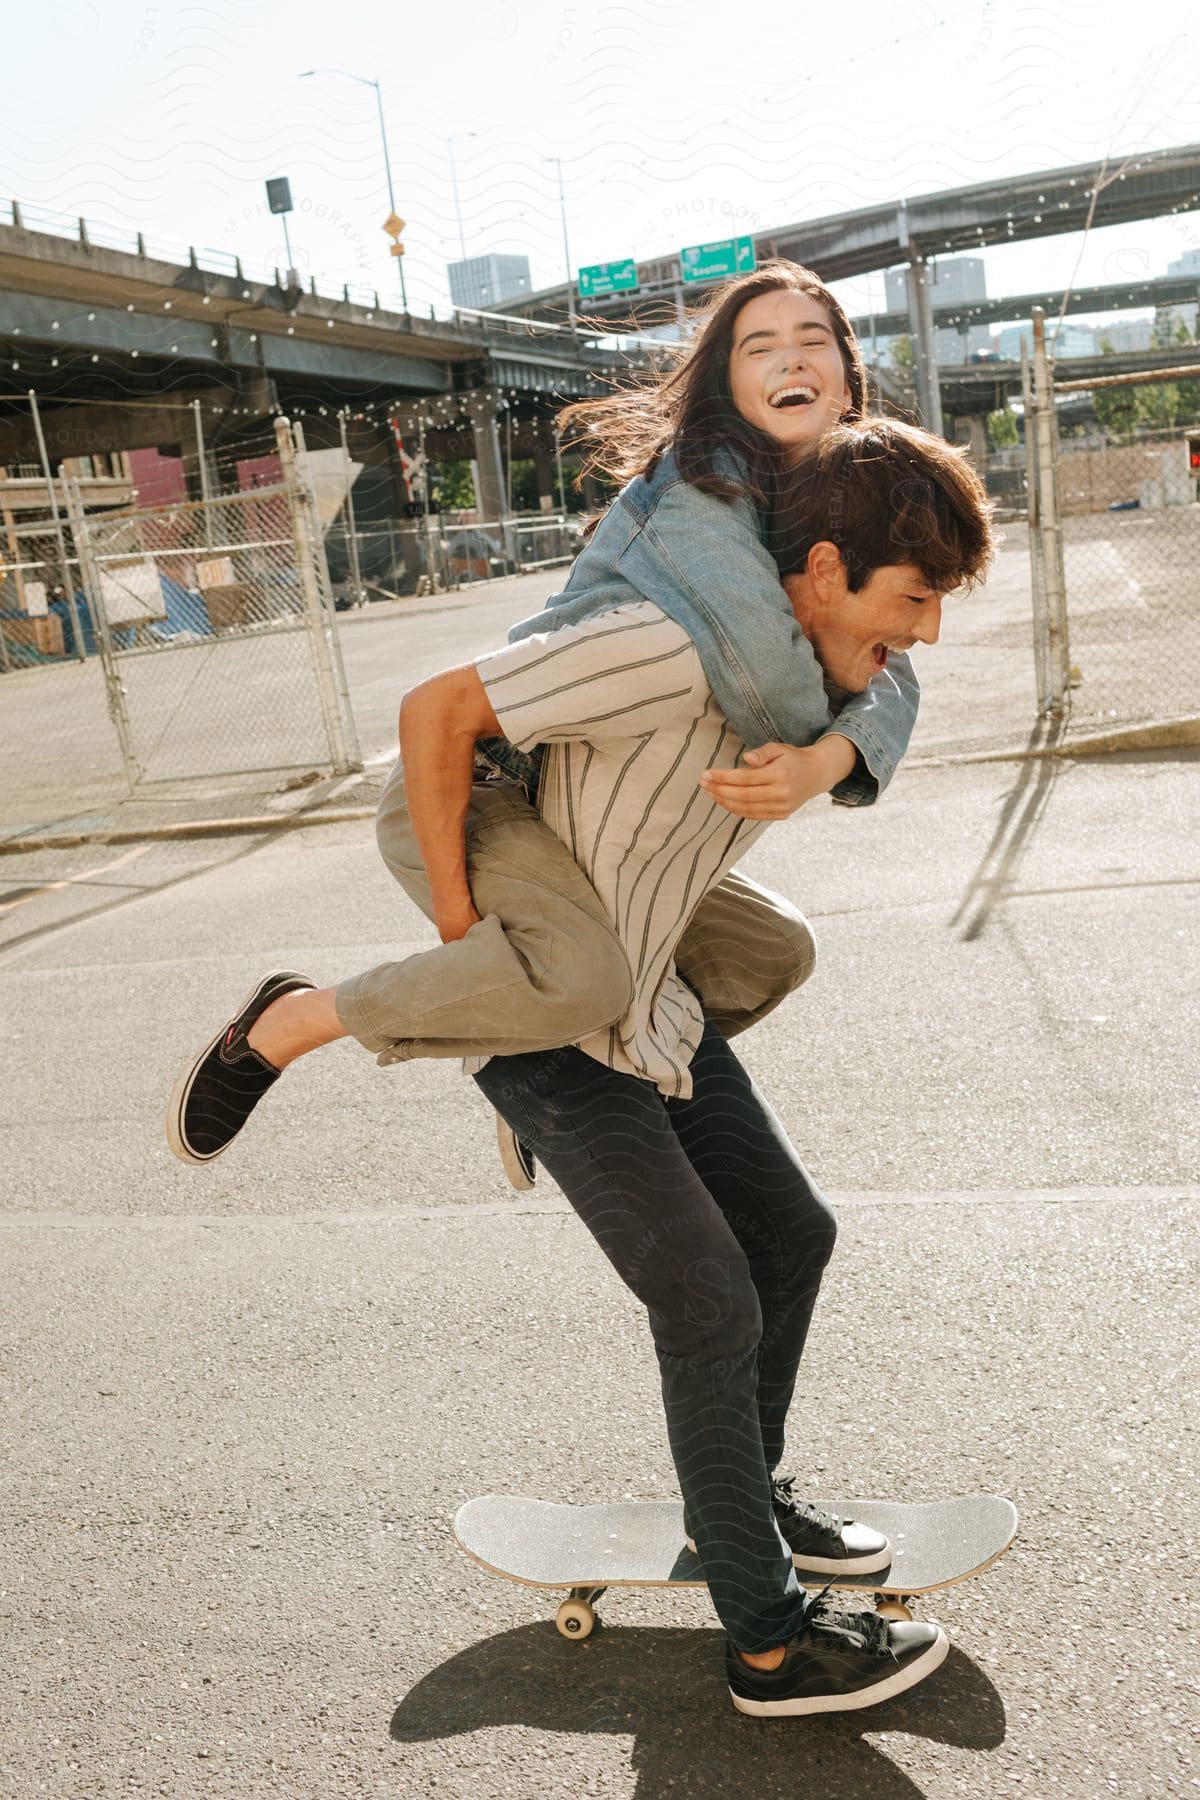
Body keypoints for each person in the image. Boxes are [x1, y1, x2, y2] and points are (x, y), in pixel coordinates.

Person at [170, 413, 997, 1716]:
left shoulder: (827, 680)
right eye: (911, 601)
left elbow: (874, 701)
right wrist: (480, 975)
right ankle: (770, 1647)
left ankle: (749, 1495)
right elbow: (438, 713)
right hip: (543, 978)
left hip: (638, 973)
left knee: (789, 1226)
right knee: (710, 1294)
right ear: (823, 571)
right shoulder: (663, 649)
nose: (927, 635)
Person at [167, 262, 921, 1186]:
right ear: (726, 384)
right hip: (484, 785)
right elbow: (773, 675)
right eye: (758, 345)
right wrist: (463, 931)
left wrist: (833, 752)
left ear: (849, 375)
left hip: (592, 821)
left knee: (770, 954)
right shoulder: (700, 491)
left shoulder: (835, 503)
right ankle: (290, 1022)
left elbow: (890, 649)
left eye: (814, 342)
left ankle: (560, 1054)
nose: (790, 359)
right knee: (579, 979)